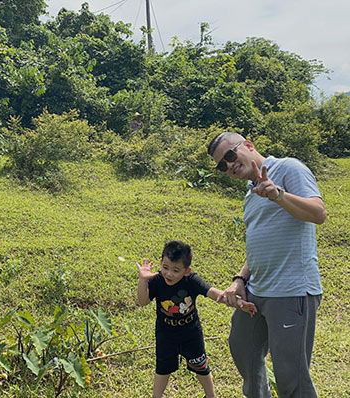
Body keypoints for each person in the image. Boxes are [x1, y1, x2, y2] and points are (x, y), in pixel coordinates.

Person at [207, 132, 326, 398]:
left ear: (248, 145)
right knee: (243, 347)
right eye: (221, 165)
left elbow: (318, 213)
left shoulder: (288, 168)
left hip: (291, 291)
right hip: (257, 291)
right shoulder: (250, 196)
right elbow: (258, 245)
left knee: (290, 376)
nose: (229, 165)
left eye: (230, 155)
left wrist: (278, 195)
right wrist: (239, 279)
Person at [137, 240, 257, 398]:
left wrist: (239, 303)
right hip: (165, 335)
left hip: (191, 334)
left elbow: (215, 294)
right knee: (162, 369)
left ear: (187, 271)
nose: (169, 274)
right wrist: (143, 279)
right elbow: (142, 301)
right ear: (161, 263)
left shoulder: (192, 280)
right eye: (165, 267)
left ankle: (211, 396)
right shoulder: (157, 281)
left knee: (201, 367)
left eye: (176, 270)